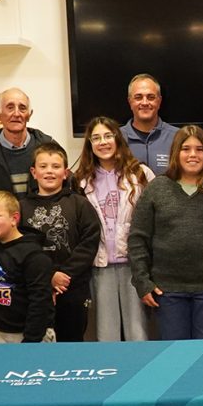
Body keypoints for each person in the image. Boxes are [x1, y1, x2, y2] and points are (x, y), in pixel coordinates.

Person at [128, 126, 203, 340]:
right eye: (186, 149)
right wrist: (142, 282)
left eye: (199, 149)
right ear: (176, 152)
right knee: (176, 357)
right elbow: (138, 239)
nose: (193, 155)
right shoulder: (157, 189)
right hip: (167, 292)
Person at [76, 116, 156, 342]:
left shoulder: (141, 174)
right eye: (96, 138)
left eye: (108, 136)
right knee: (106, 333)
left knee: (137, 332)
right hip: (99, 266)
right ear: (90, 144)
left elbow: (154, 220)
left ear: (118, 138)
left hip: (134, 264)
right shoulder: (81, 180)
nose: (103, 142)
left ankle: (141, 375)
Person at [19, 142, 101, 342]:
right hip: (35, 291)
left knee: (71, 344)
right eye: (43, 166)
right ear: (33, 172)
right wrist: (49, 276)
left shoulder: (79, 204)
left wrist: (63, 274)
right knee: (36, 345)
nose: (49, 171)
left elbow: (89, 243)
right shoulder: (20, 207)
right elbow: (19, 248)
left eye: (55, 167)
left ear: (65, 173)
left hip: (71, 289)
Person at [0, 190, 55, 343]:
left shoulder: (34, 256)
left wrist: (30, 341)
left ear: (14, 219)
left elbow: (40, 302)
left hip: (31, 335)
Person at [0, 87, 56, 209]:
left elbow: (63, 187)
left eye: (22, 108)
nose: (16, 114)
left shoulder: (48, 147)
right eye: (10, 107)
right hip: (1, 226)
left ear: (29, 115)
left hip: (42, 225)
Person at [120, 73, 179, 175]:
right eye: (138, 97)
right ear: (130, 102)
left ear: (159, 101)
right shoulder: (117, 138)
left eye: (151, 97)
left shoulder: (178, 137)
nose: (145, 102)